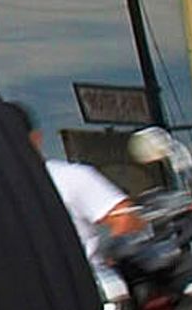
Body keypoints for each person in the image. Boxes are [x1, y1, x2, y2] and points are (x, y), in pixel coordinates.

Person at [11, 102, 135, 270]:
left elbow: (127, 218)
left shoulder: (69, 177)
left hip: (82, 286)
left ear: (36, 139)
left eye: (12, 138)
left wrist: (110, 260)